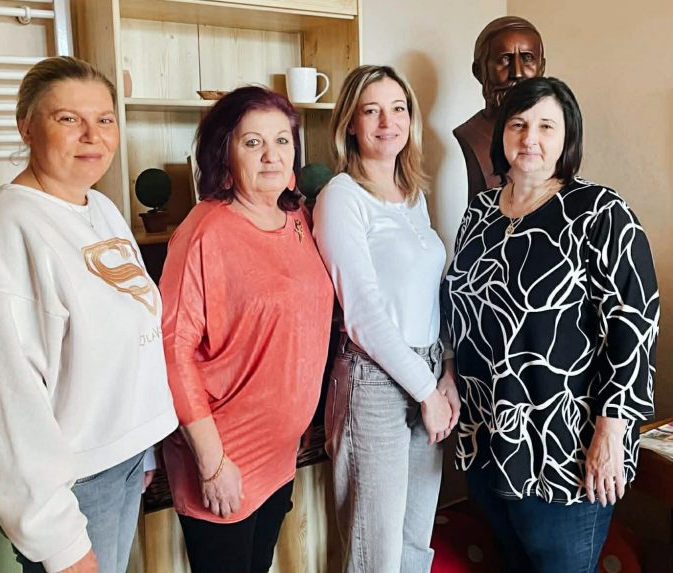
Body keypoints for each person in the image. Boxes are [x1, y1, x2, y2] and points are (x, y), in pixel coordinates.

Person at [0, 57, 178, 573]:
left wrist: (141, 447)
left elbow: (131, 335)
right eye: (68, 118)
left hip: (120, 463)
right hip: (72, 484)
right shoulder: (7, 232)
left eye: (105, 119)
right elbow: (6, 406)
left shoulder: (100, 208)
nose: (92, 135)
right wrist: (60, 545)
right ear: (26, 126)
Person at [441, 77, 659, 573]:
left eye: (546, 126)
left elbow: (634, 324)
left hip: (565, 449)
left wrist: (612, 431)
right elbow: (459, 307)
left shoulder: (600, 212)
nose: (529, 138)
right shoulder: (479, 213)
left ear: (568, 137)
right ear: (502, 133)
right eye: (518, 124)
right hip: (489, 439)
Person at [159, 86, 333, 573]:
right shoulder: (204, 231)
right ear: (224, 152)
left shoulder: (296, 217)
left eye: (282, 140)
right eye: (253, 142)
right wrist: (212, 463)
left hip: (280, 454)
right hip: (225, 454)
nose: (271, 155)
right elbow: (173, 350)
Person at [313, 65, 459, 573]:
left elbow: (430, 294)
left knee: (415, 545)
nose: (387, 122)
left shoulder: (413, 194)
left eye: (398, 109)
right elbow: (363, 313)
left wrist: (446, 372)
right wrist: (427, 391)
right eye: (371, 110)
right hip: (372, 381)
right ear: (350, 124)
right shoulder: (340, 196)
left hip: (427, 370)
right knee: (375, 555)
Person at [453, 16, 545, 201]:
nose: (517, 73)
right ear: (479, 71)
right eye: (504, 59)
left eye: (527, 58)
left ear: (541, 67)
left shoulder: (555, 134)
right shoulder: (470, 134)